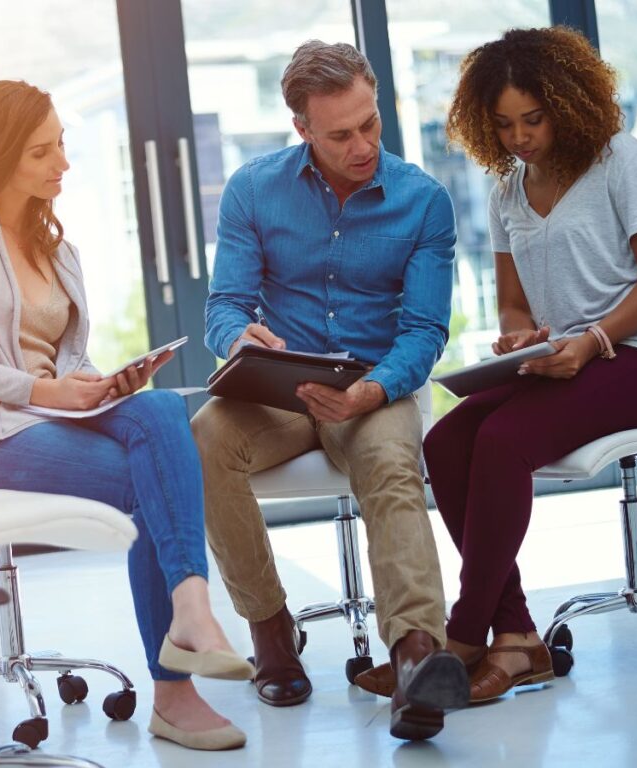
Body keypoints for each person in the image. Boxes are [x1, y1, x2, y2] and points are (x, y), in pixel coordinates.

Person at [0, 80, 253, 751]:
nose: (61, 163)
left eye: (61, 145)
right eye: (40, 152)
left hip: (40, 415)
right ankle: (177, 678)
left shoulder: (53, 245)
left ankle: (190, 613)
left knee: (160, 409)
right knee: (154, 481)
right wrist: (46, 391)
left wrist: (93, 383)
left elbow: (62, 359)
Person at [398, 26, 637, 703]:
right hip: (566, 362)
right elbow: (512, 304)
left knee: (504, 441)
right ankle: (518, 640)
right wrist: (518, 341)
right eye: (504, 124)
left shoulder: (619, 158)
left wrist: (593, 340)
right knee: (447, 439)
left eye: (532, 119)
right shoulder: (508, 189)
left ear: (565, 103)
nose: (519, 137)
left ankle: (464, 636)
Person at [190, 41, 469, 741]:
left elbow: (426, 329)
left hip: (375, 385)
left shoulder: (423, 202)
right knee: (204, 438)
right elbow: (225, 303)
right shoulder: (255, 189)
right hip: (279, 393)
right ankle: (270, 627)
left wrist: (372, 392)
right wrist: (239, 339)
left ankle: (414, 657)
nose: (362, 144)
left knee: (390, 466)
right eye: (340, 134)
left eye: (370, 124)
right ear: (303, 130)